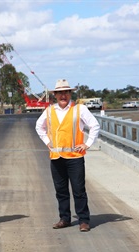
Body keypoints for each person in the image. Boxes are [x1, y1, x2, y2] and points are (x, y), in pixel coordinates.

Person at [35, 79, 100, 232]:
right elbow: (39, 126)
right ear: (55, 95)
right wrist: (47, 141)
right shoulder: (50, 110)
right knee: (61, 190)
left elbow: (94, 125)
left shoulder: (80, 109)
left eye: (66, 92)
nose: (63, 95)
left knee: (78, 190)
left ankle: (83, 220)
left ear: (70, 93)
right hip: (56, 157)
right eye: (60, 93)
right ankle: (64, 218)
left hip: (75, 157)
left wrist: (87, 144)